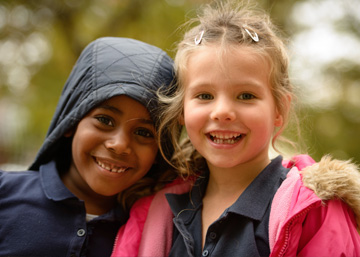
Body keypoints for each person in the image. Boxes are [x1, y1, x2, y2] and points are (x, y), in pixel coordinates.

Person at [111, 1, 360, 257]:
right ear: (182, 110)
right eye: (205, 95)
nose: (222, 112)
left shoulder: (315, 210)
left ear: (279, 109)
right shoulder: (154, 212)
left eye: (245, 96)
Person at [0, 37, 176, 257]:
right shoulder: (5, 195)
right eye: (105, 120)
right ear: (71, 121)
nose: (119, 145)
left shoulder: (159, 232)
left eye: (143, 132)